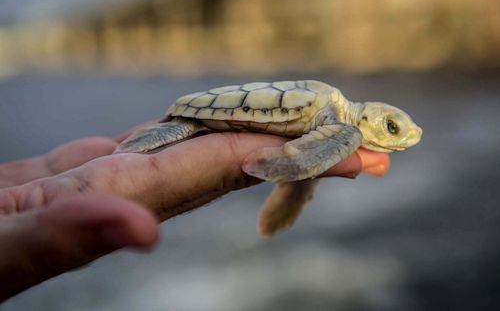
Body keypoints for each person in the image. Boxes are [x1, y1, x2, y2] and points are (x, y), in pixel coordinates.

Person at [0, 128, 389, 301]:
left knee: (315, 159)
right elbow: (313, 149)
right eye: (390, 129)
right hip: (211, 111)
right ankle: (169, 132)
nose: (397, 138)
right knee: (319, 156)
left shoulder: (338, 124)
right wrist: (291, 167)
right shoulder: (342, 129)